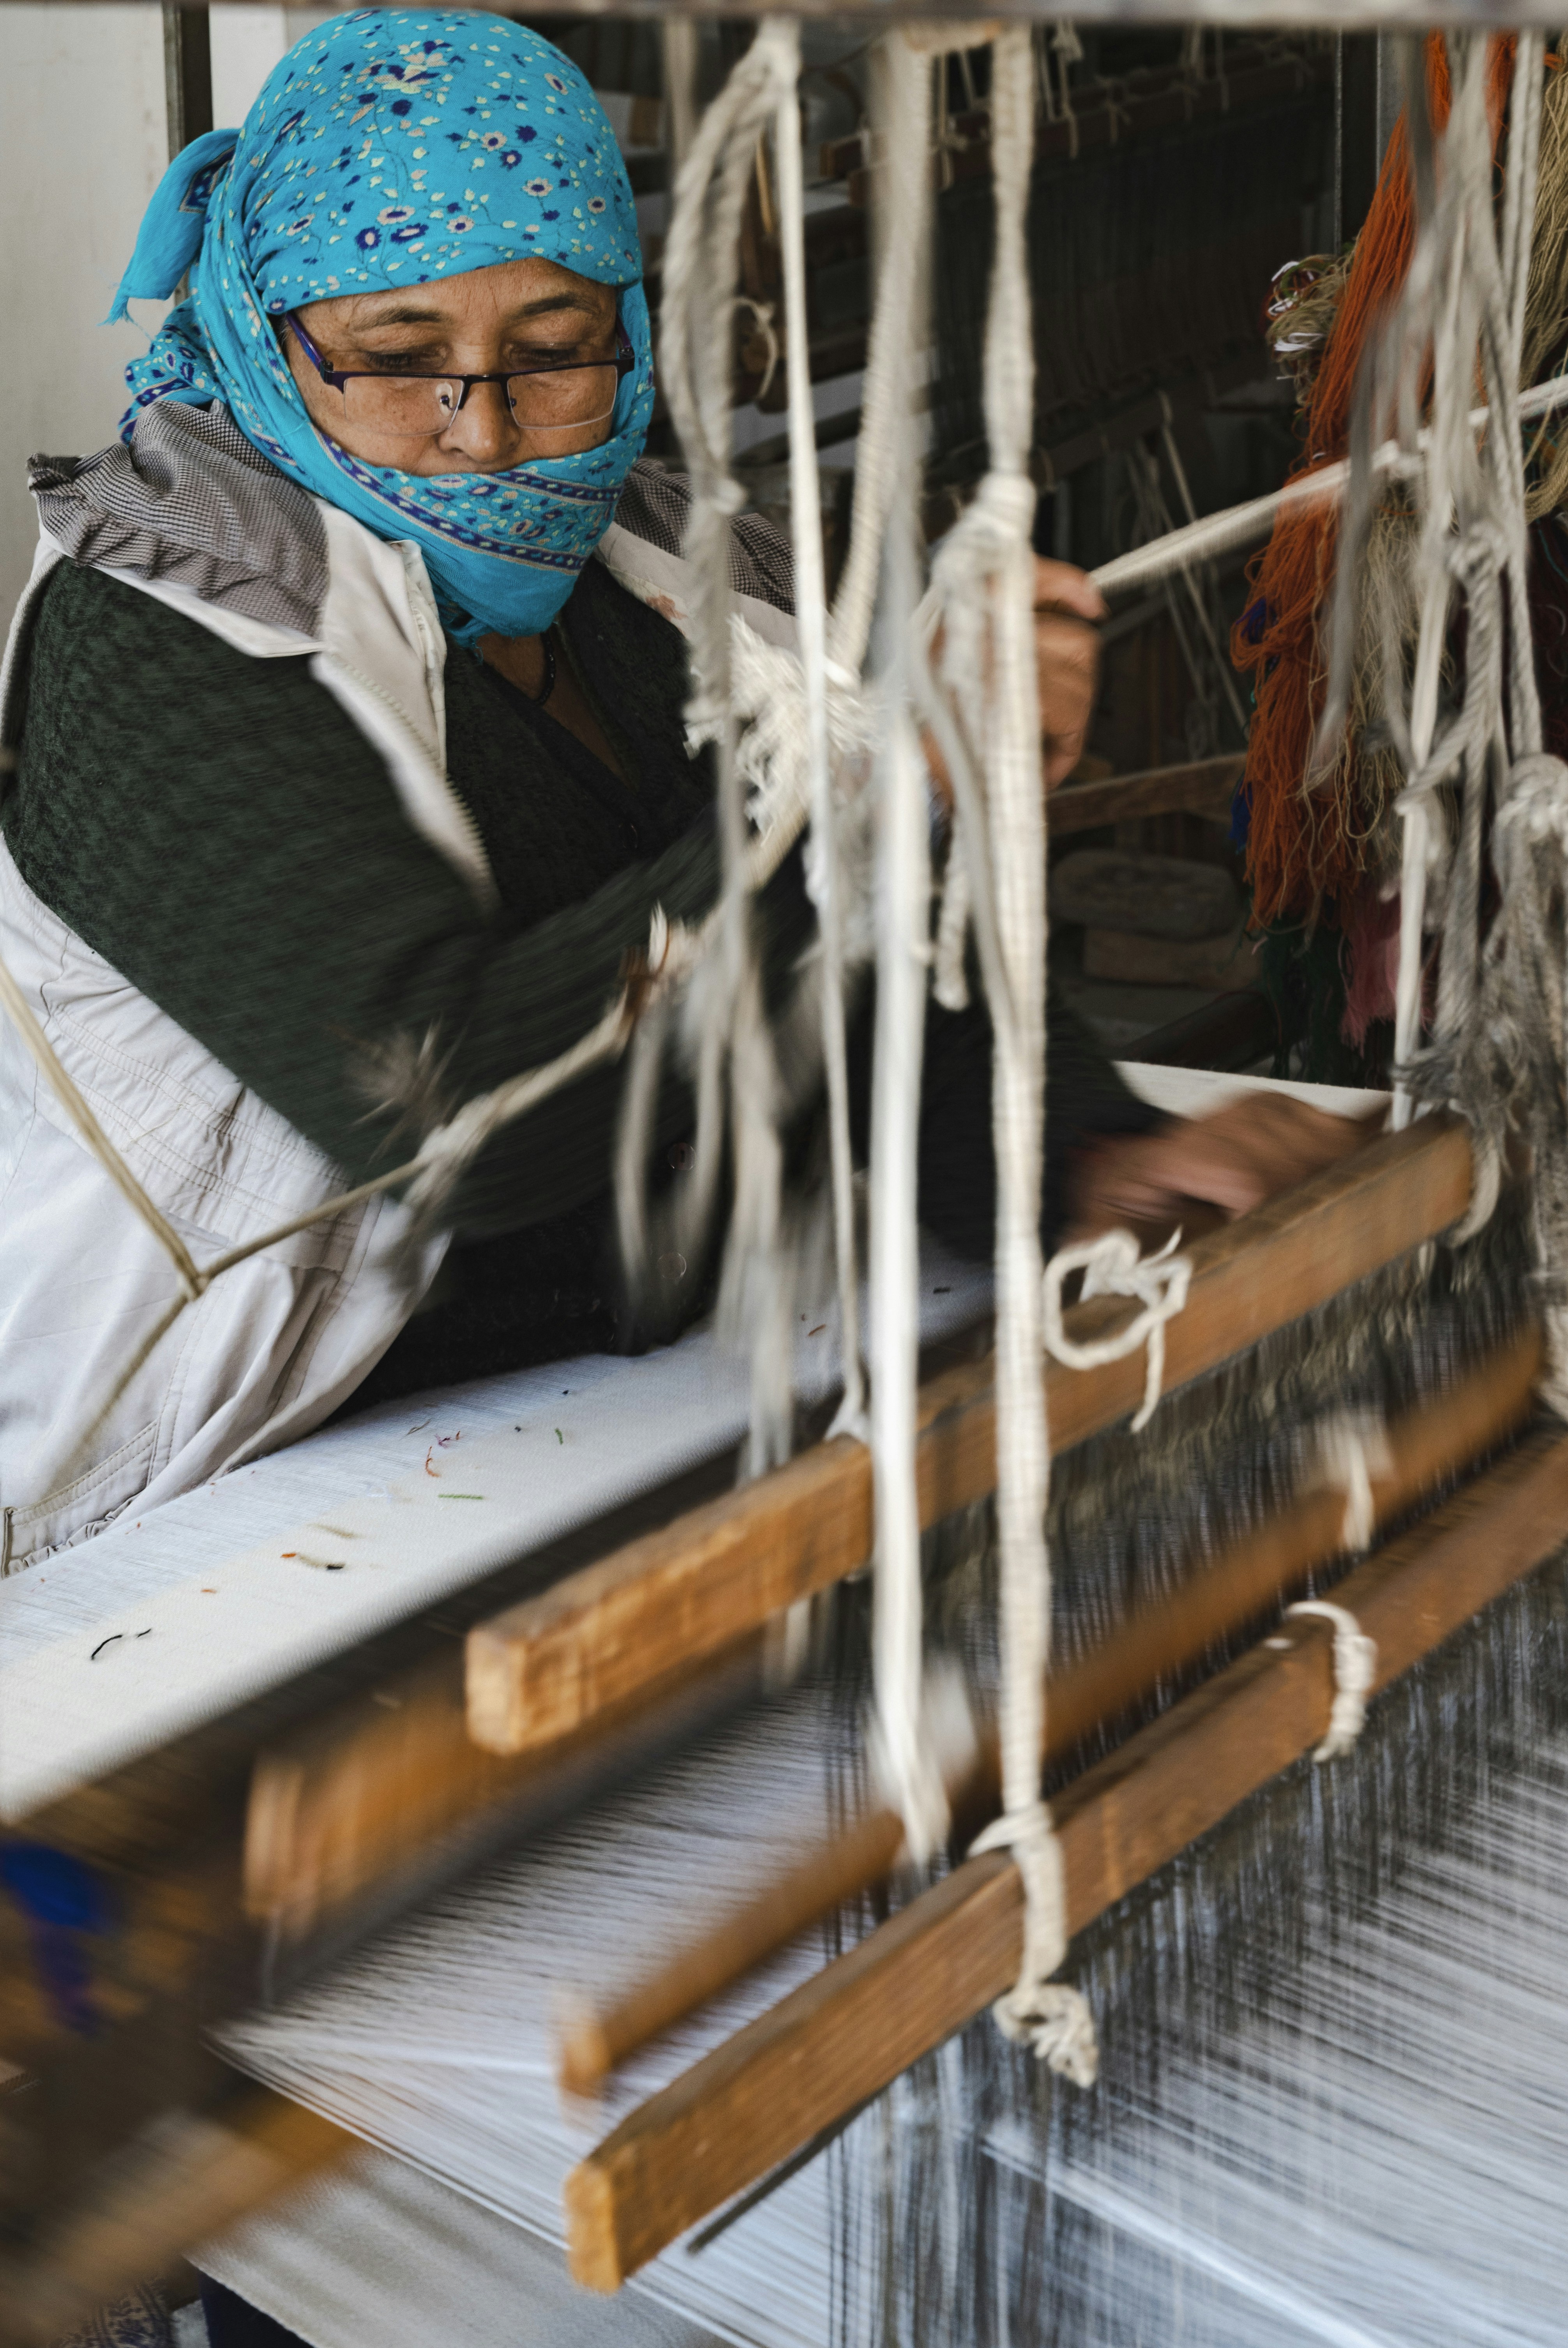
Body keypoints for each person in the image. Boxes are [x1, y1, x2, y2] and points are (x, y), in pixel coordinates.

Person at [0, 7, 1357, 1592]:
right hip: (203, 1498)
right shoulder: (161, 627)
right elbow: (451, 1114)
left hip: (602, 1409)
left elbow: (857, 964)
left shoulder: (656, 570)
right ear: (263, 324)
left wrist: (1071, 1153)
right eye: (398, 358)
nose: (483, 432)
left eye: (554, 349)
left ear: (630, 330)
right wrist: (869, 806)